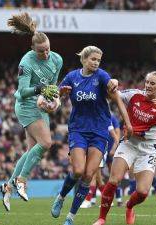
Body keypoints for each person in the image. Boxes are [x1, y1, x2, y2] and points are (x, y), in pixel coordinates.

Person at [50, 46, 133, 225]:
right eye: (93, 59)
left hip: (99, 132)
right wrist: (58, 97)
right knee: (78, 170)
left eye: (98, 60)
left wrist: (127, 122)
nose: (96, 63)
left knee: (89, 175)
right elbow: (56, 98)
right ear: (84, 59)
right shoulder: (72, 77)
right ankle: (61, 196)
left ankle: (70, 217)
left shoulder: (102, 76)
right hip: (78, 129)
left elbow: (116, 96)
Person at [0, 12, 63, 211]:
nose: (46, 54)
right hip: (26, 106)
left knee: (31, 152)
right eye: (41, 51)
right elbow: (21, 93)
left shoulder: (56, 60)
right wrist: (39, 90)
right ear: (33, 48)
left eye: (48, 49)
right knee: (46, 143)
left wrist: (53, 101)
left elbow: (52, 88)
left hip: (40, 106)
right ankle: (22, 180)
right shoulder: (26, 63)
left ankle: (8, 187)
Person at [92, 71, 156, 225]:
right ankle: (102, 218)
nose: (148, 85)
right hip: (129, 143)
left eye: (152, 83)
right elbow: (113, 94)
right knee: (114, 180)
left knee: (142, 192)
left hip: (148, 149)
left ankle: (129, 206)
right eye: (147, 82)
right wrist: (113, 82)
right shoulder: (134, 95)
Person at [80, 114, 120, 208]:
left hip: (99, 148)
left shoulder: (103, 115)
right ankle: (108, 200)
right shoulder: (92, 115)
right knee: (98, 178)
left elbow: (111, 130)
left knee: (92, 175)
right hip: (92, 147)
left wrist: (116, 142)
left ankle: (88, 200)